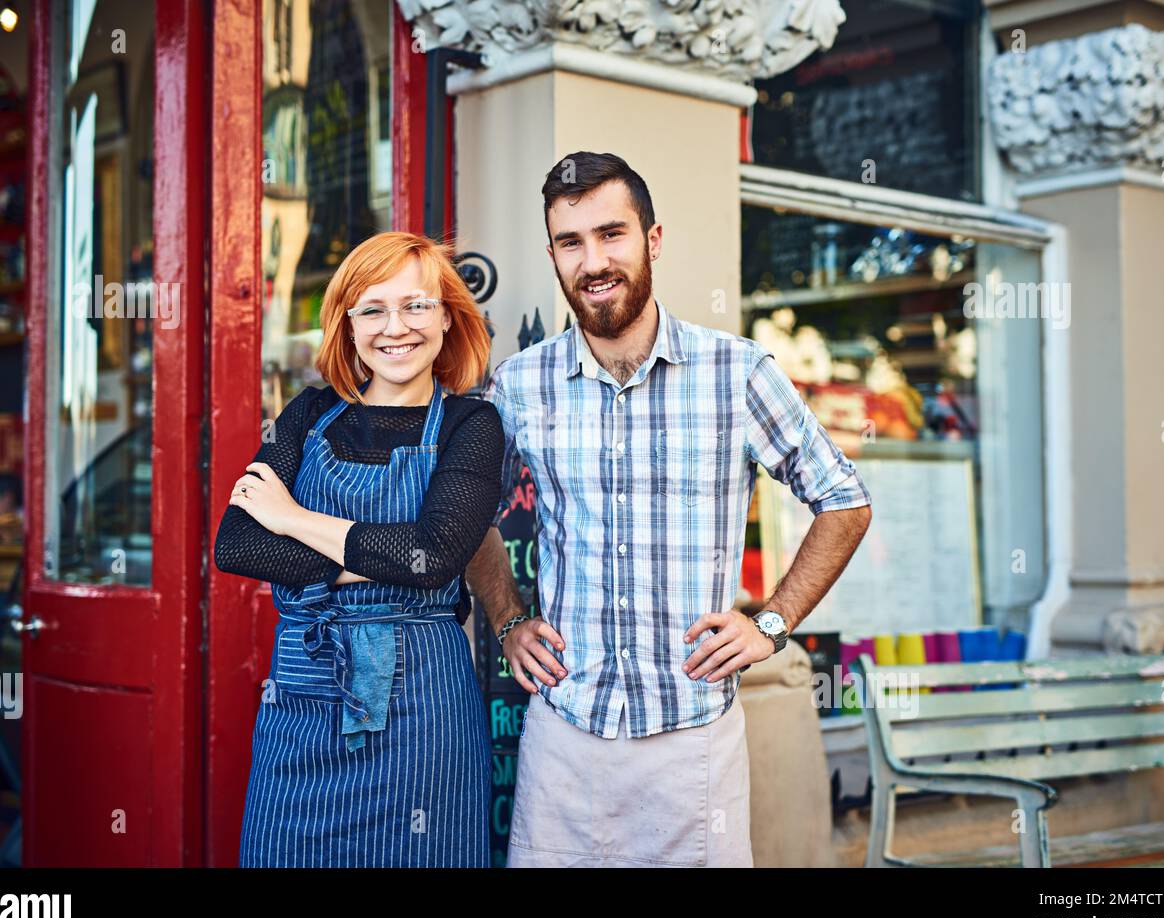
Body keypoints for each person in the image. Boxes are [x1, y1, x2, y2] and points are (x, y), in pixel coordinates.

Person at [466, 152, 873, 867]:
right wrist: (506, 619)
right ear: (555, 256)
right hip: (564, 738)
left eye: (611, 233)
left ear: (653, 239)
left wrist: (770, 621)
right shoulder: (519, 385)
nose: (594, 261)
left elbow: (844, 500)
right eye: (571, 242)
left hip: (694, 743)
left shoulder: (737, 372)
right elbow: (469, 516)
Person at [214, 231, 502, 867]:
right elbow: (235, 545)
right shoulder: (309, 414)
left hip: (421, 711)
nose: (393, 327)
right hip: (302, 702)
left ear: (449, 318)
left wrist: (291, 519)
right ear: (347, 325)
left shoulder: (472, 425)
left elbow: (435, 556)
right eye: (371, 308)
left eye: (415, 305)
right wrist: (382, 562)